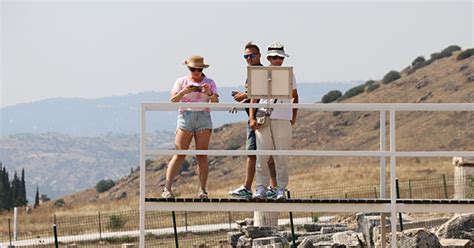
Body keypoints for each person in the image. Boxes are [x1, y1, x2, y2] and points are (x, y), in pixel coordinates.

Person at [162, 55, 219, 199]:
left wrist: (209, 93)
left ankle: (203, 190)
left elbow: (216, 101)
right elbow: (173, 99)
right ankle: (167, 188)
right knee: (179, 153)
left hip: (203, 117)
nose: (196, 72)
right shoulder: (181, 81)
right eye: (193, 69)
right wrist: (185, 92)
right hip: (185, 115)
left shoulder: (209, 82)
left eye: (199, 69)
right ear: (189, 69)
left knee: (201, 155)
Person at [249, 41, 298, 200]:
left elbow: (295, 96)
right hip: (264, 115)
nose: (277, 60)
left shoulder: (289, 74)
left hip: (282, 116)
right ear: (269, 58)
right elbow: (254, 98)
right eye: (274, 57)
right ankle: (261, 187)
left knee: (281, 155)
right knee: (262, 154)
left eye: (280, 58)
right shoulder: (261, 74)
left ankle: (280, 188)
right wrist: (251, 117)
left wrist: (293, 116)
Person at [228, 42, 278, 199]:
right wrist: (242, 101)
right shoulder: (252, 72)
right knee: (257, 153)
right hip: (256, 116)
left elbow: (259, 93)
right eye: (246, 56)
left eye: (252, 55)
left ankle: (254, 187)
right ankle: (268, 186)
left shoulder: (261, 71)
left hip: (260, 117)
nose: (249, 59)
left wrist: (244, 96)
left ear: (259, 55)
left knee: (258, 153)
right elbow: (255, 96)